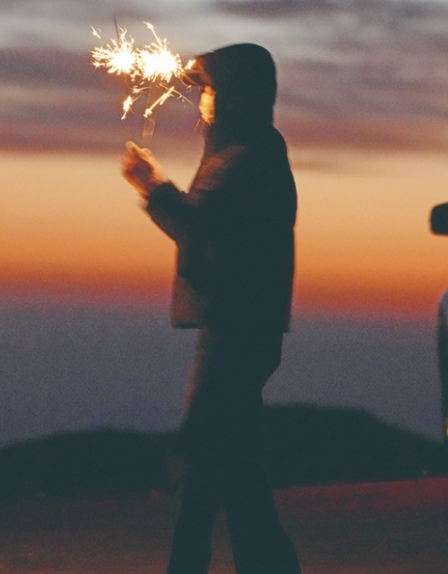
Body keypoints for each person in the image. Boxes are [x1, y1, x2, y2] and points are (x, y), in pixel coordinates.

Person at [120, 43, 302, 574]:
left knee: (197, 460)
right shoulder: (243, 150)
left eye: (209, 89)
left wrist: (151, 185)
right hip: (242, 324)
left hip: (236, 328)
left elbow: (197, 227)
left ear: (236, 96)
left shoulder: (247, 156)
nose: (200, 100)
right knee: (241, 472)